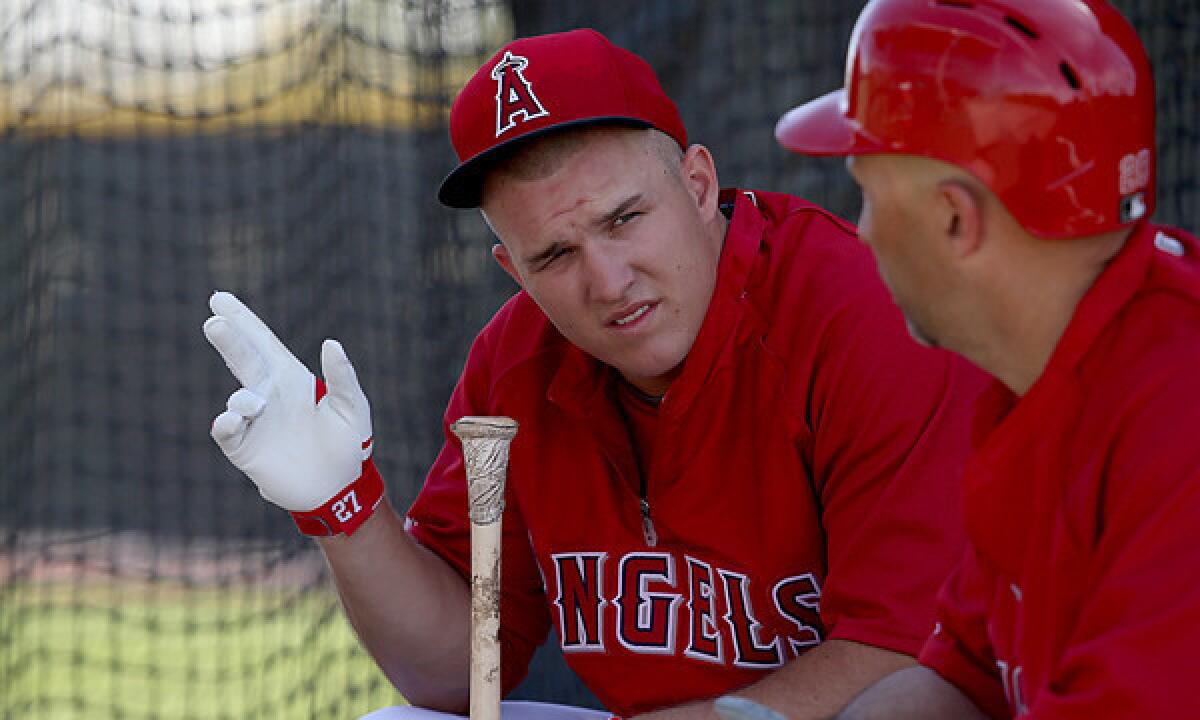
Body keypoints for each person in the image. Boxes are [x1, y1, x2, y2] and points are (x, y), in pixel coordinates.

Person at [203, 29, 985, 720]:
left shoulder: (857, 311)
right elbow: (456, 676)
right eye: (555, 255)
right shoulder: (515, 363)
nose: (609, 281)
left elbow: (915, 661)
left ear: (699, 185)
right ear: (513, 269)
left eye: (624, 219)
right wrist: (341, 508)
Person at [775, 1, 1200, 718]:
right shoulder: (1045, 369)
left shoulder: (1177, 414)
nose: (863, 233)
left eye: (865, 195)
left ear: (954, 218)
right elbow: (964, 678)